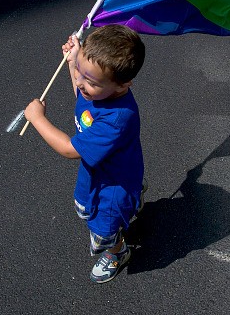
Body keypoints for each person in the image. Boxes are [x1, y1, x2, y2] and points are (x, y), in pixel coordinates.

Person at [24, 23, 146, 283]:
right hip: (101, 170)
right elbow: (84, 101)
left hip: (112, 186)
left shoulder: (116, 119)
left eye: (89, 81)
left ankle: (117, 252)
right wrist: (73, 61)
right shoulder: (98, 93)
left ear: (123, 85)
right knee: (85, 206)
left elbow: (70, 150)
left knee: (103, 227)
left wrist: (37, 120)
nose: (80, 83)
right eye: (80, 72)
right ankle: (136, 192)